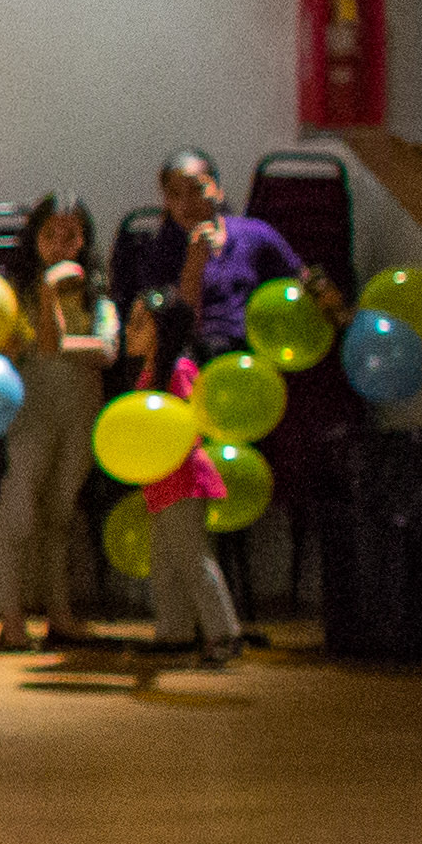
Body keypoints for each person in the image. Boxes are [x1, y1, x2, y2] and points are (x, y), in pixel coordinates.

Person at [0, 194, 115, 651]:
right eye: (50, 234)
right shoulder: (19, 291)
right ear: (34, 239)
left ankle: (59, 614)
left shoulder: (97, 292)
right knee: (21, 504)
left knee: (60, 514)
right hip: (31, 411)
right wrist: (47, 297)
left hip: (80, 411)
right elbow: (40, 346)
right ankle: (10, 614)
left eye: (72, 235)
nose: (62, 244)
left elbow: (106, 350)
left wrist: (71, 345)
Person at [120, 289, 243, 668]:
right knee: (165, 560)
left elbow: (188, 427)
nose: (128, 330)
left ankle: (224, 633)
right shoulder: (150, 374)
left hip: (184, 482)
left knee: (192, 558)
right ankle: (175, 631)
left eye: (139, 322)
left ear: (158, 329)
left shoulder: (178, 371)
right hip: (162, 485)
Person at [158, 150, 297, 360]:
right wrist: (194, 264)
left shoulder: (255, 233)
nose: (186, 203)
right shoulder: (160, 249)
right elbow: (175, 330)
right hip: (195, 360)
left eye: (196, 189)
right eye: (175, 194)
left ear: (218, 190)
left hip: (255, 354)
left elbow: (297, 282)